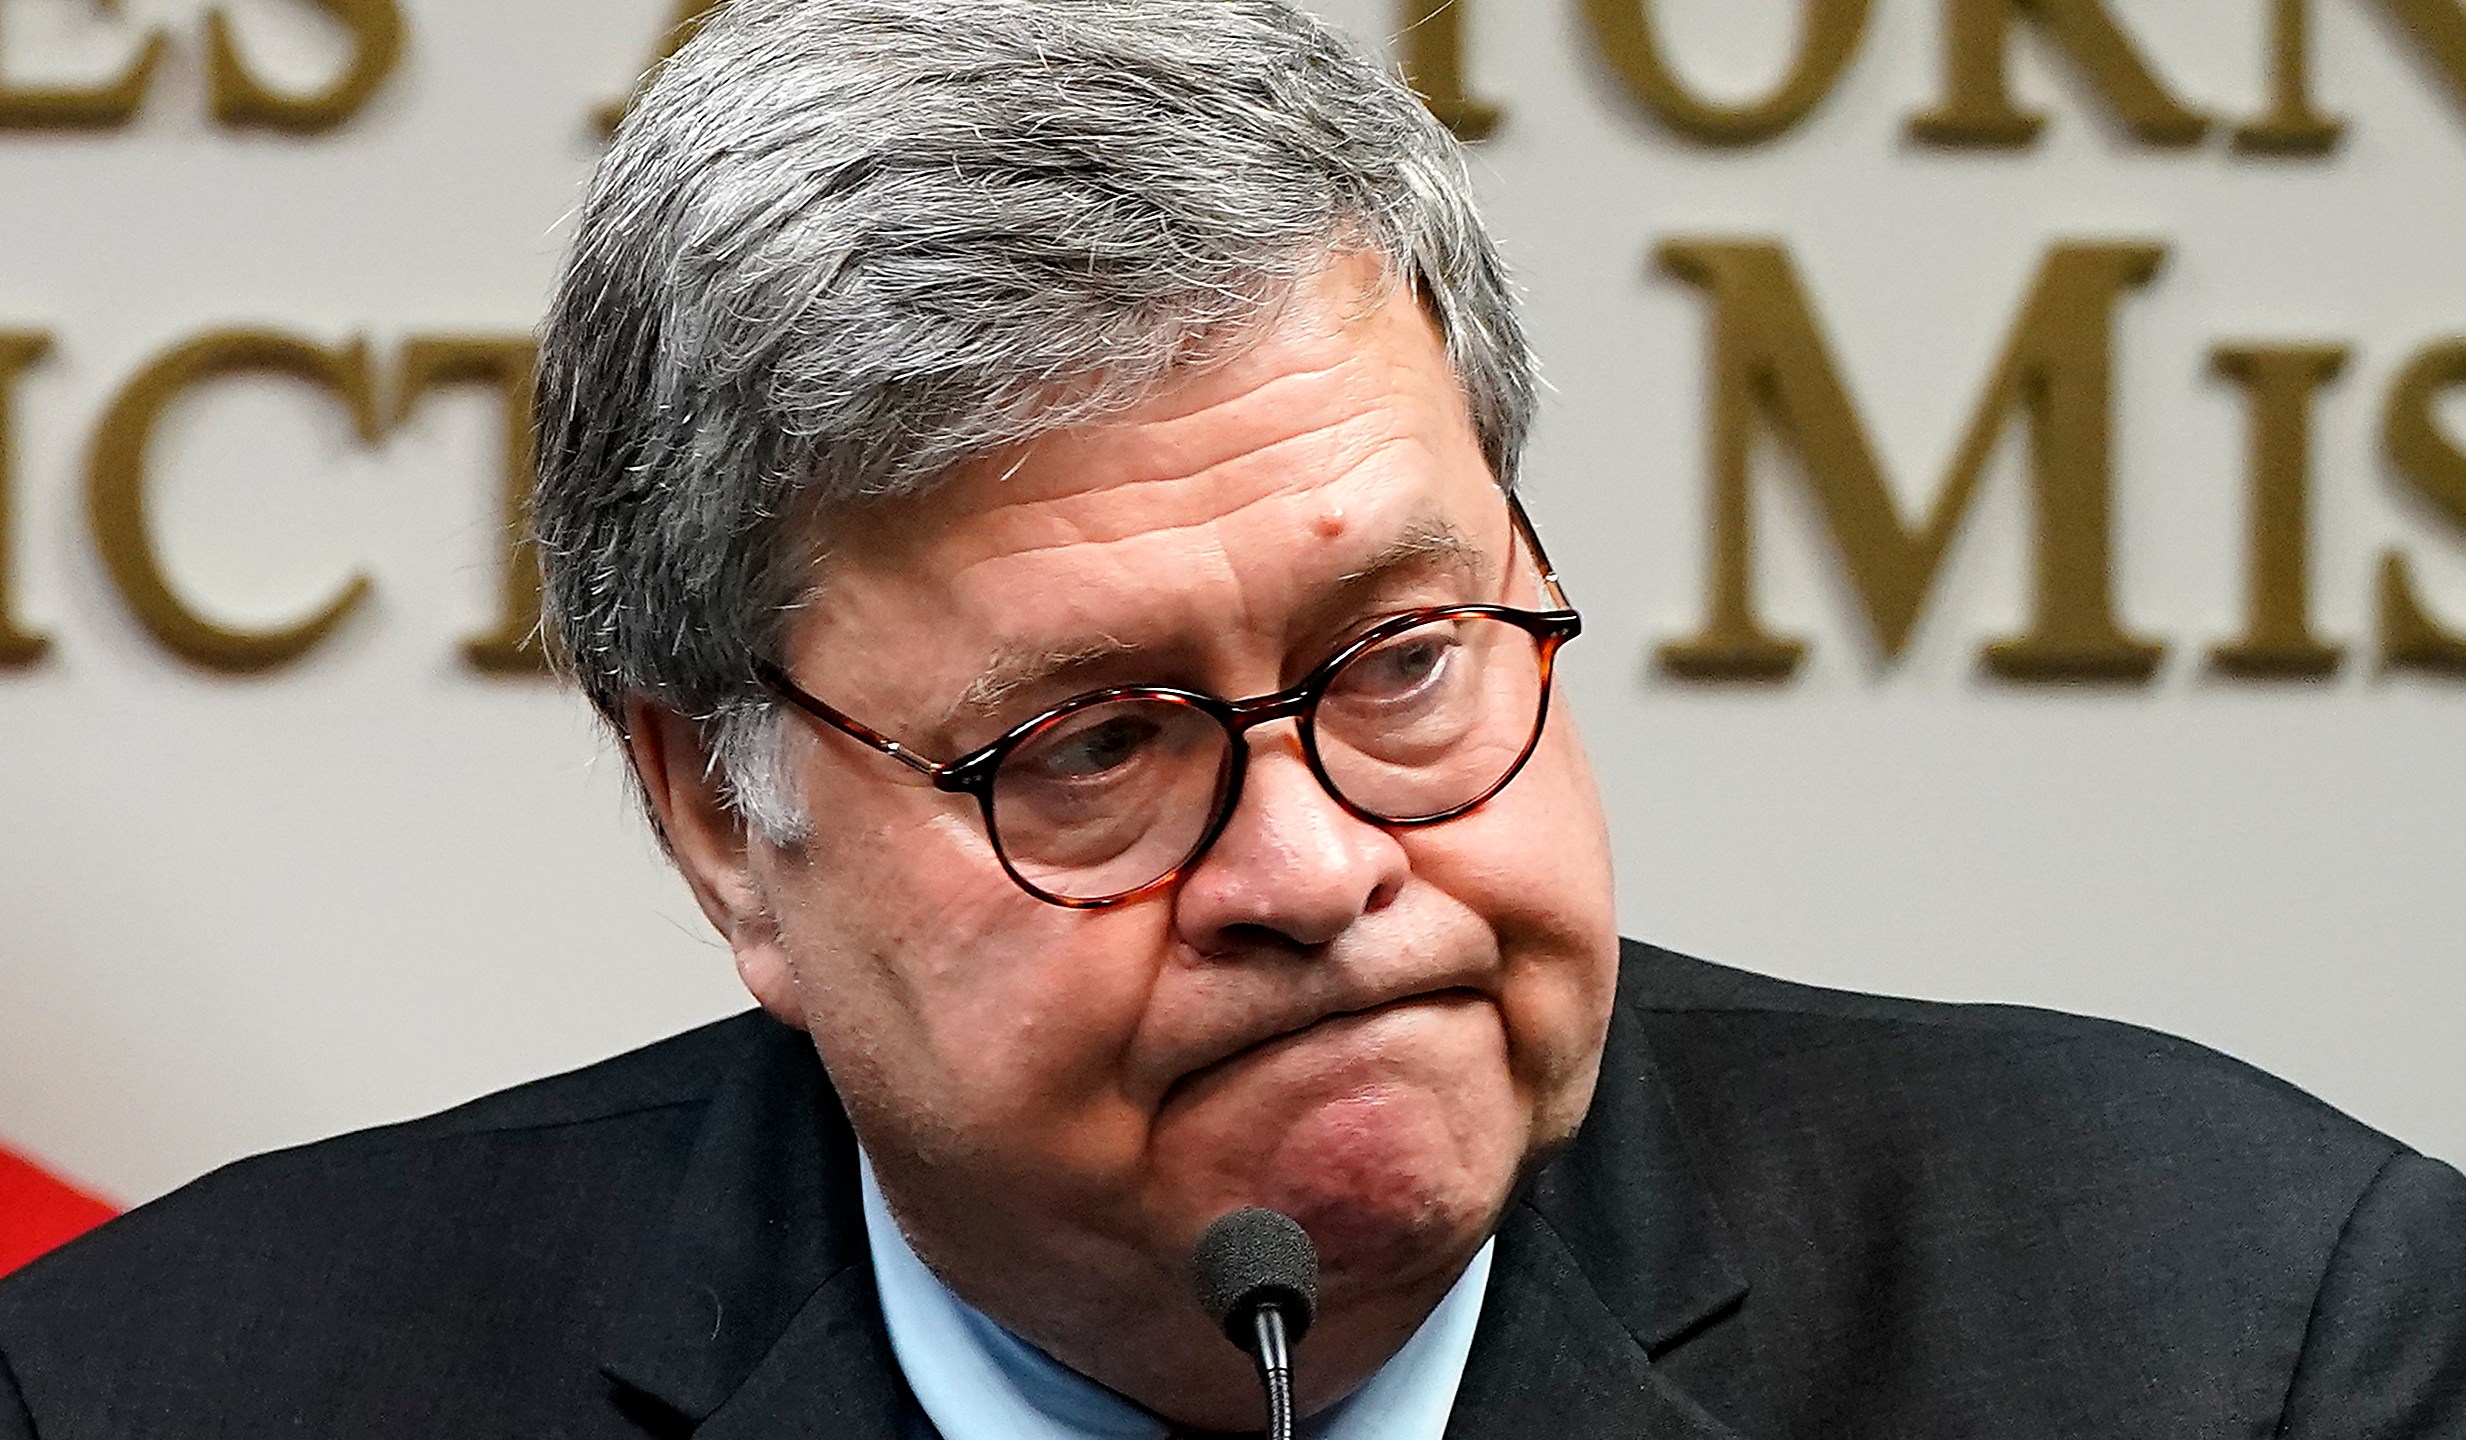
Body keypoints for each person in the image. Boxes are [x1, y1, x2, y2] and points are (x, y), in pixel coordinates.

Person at [3, 1, 2460, 1435]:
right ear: (718, 820)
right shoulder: (163, 1400)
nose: (1310, 870)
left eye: (1403, 664)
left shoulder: (2246, 1335)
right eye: (1090, 744)